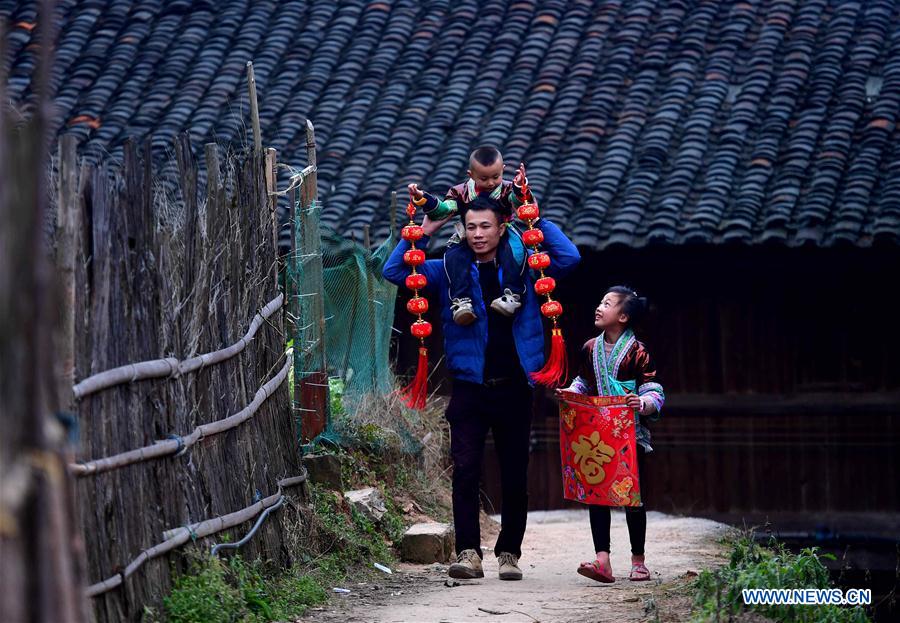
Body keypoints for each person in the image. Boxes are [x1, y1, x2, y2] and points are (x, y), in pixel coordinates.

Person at [384, 193, 580, 581]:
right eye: (470, 227)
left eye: (485, 226)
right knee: (466, 470)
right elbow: (394, 272)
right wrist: (426, 229)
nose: (477, 234)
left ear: (501, 227)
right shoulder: (447, 270)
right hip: (470, 387)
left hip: (515, 387)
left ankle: (509, 552)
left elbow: (570, 258)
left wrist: (532, 220)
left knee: (514, 473)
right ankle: (468, 553)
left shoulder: (525, 270)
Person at [560, 287, 665, 583]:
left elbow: (652, 389)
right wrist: (569, 394)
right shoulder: (590, 348)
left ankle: (638, 560)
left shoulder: (638, 352)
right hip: (596, 434)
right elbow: (583, 381)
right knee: (597, 495)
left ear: (623, 316)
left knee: (632, 498)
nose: (599, 307)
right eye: (600, 301)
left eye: (606, 303)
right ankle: (602, 560)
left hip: (630, 433)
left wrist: (642, 403)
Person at [407, 146, 529, 325]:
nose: (490, 183)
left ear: (503, 170)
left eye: (496, 177)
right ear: (470, 175)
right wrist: (423, 197)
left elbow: (520, 203)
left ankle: (512, 294)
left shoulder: (508, 189)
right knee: (453, 256)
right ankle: (461, 301)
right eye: (484, 178)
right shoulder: (460, 192)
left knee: (516, 251)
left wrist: (519, 187)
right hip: (467, 236)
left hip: (502, 231)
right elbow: (444, 210)